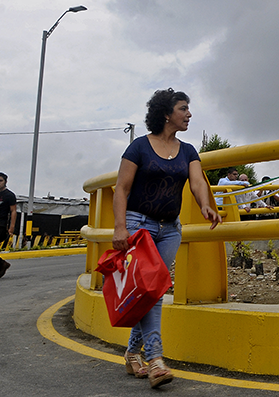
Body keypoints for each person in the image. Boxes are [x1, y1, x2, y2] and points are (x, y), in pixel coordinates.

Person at [112, 88, 221, 387]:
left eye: (188, 109)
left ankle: (133, 352)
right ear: (166, 113)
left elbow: (197, 181)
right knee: (153, 291)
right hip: (139, 226)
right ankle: (156, 359)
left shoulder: (187, 151)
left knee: (151, 290)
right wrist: (120, 227)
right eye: (183, 109)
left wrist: (205, 205)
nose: (189, 114)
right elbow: (121, 189)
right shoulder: (139, 147)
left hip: (170, 229)